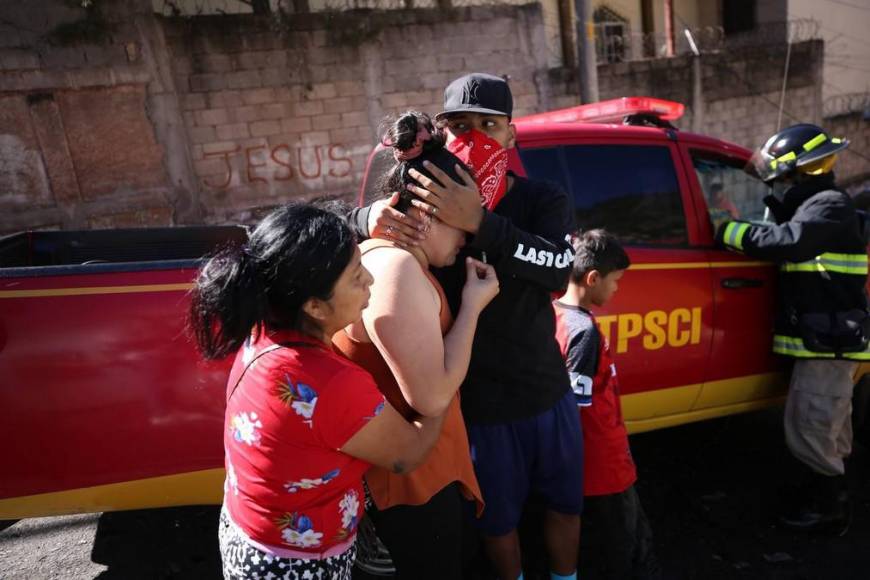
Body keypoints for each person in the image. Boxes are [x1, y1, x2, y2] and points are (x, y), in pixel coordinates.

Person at [350, 73, 582, 580]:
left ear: (512, 135)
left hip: (545, 390)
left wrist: (480, 221)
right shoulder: (426, 206)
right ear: (441, 133)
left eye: (488, 125)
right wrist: (367, 217)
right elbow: (345, 231)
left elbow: (558, 272)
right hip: (476, 405)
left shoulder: (542, 198)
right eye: (459, 126)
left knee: (566, 506)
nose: (474, 137)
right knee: (497, 524)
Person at [188, 204, 445, 579]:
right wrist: (440, 385)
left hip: (249, 536)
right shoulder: (329, 383)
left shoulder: (263, 329)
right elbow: (408, 453)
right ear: (314, 306)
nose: (371, 282)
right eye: (357, 276)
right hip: (296, 562)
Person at [334, 111, 499, 578]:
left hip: (414, 477)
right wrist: (472, 306)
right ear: (424, 215)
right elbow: (429, 397)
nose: (468, 238)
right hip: (412, 488)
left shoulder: (379, 256)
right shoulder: (399, 270)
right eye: (460, 224)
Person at [717, 124, 869, 536]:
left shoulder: (829, 205)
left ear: (796, 173)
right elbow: (790, 229)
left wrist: (726, 229)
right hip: (827, 340)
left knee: (811, 426)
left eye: (778, 177)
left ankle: (829, 513)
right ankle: (824, 498)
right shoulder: (817, 205)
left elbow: (791, 240)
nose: (776, 184)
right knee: (828, 428)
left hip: (830, 344)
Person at [553, 229, 661, 580]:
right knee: (623, 547)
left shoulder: (554, 312)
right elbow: (575, 410)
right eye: (615, 281)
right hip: (604, 466)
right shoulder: (583, 331)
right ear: (593, 278)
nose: (617, 289)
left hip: (589, 467)